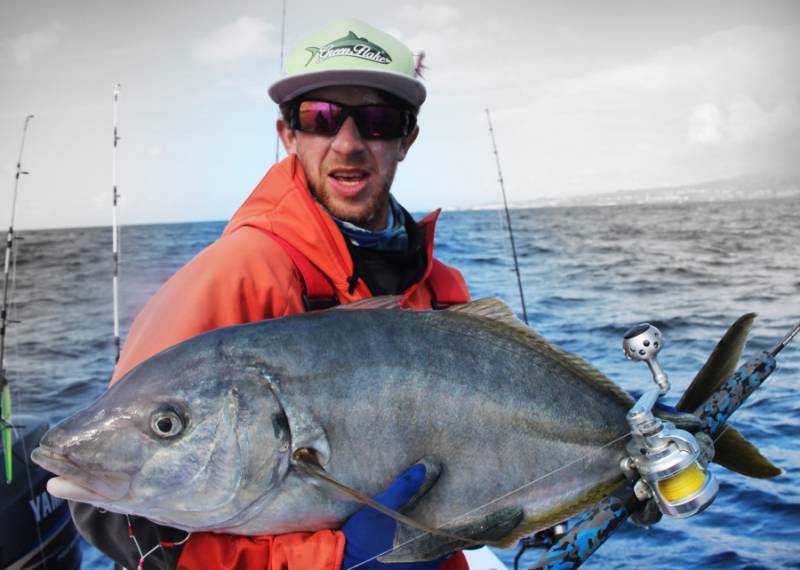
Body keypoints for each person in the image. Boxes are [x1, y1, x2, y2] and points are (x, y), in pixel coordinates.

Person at [70, 18, 473, 570]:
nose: (349, 144)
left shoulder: (440, 287)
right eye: (321, 118)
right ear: (288, 134)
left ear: (407, 139)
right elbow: (116, 519)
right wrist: (334, 561)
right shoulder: (234, 275)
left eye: (378, 121)